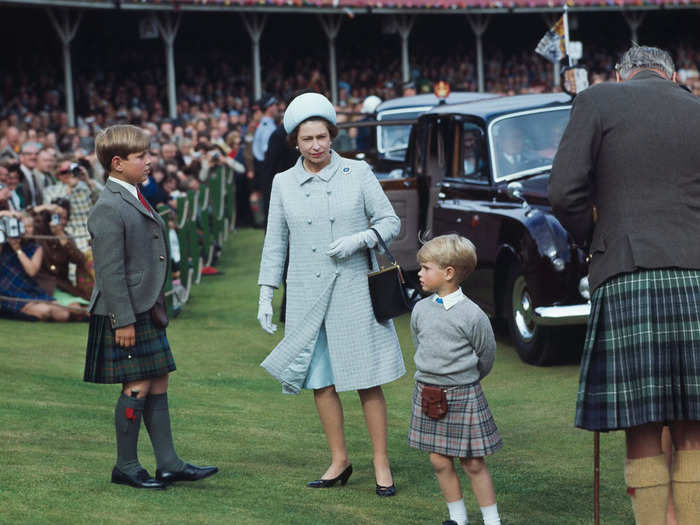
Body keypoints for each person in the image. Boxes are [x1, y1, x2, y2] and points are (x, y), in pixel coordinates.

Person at [549, 45, 700, 525]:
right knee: (694, 427)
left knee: (642, 424)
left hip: (627, 273)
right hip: (697, 275)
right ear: (672, 75)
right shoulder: (697, 107)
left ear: (622, 72)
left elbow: (564, 192)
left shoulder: (597, 99)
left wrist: (597, 240)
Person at [257, 92, 405, 495]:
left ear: (332, 135)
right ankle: (339, 460)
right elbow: (275, 243)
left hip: (353, 288)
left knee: (366, 379)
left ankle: (380, 462)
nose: (316, 145)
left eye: (322, 136)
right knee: (320, 380)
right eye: (307, 139)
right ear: (295, 142)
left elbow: (391, 222)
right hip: (307, 292)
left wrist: (360, 239)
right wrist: (266, 292)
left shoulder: (357, 172)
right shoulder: (283, 182)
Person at [84, 124, 217, 490]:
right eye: (141, 156)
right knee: (137, 386)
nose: (149, 161)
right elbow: (109, 272)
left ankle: (169, 463)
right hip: (125, 311)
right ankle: (125, 466)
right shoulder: (108, 206)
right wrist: (122, 320)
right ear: (117, 162)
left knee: (158, 381)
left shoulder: (134, 194)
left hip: (144, 306)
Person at [409, 234, 502, 525]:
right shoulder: (420, 310)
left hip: (463, 394)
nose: (420, 273)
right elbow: (420, 345)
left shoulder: (473, 315)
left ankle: (492, 521)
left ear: (448, 273)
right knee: (438, 460)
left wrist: (465, 379)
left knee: (473, 463)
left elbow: (486, 356)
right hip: (427, 392)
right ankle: (457, 519)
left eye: (426, 268)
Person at [0, 211, 79, 321]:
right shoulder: (4, 244)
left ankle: (31, 312)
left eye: (31, 226)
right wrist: (5, 214)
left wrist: (17, 249)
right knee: (44, 311)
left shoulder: (36, 248)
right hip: (9, 290)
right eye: (25, 226)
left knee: (63, 314)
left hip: (29, 288)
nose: (28, 230)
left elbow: (31, 271)